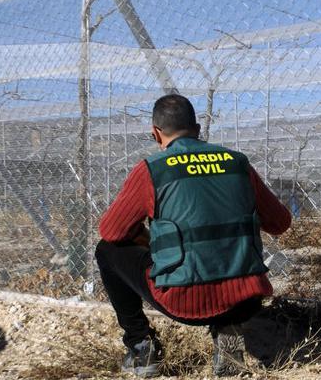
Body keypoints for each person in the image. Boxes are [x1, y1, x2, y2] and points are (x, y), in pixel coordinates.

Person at [95, 94, 291, 377]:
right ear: (198, 130)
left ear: (155, 133)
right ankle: (228, 328)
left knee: (106, 250)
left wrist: (147, 239)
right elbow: (280, 223)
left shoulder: (151, 170)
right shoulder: (238, 164)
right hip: (245, 299)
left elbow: (111, 232)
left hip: (184, 300)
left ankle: (141, 347)